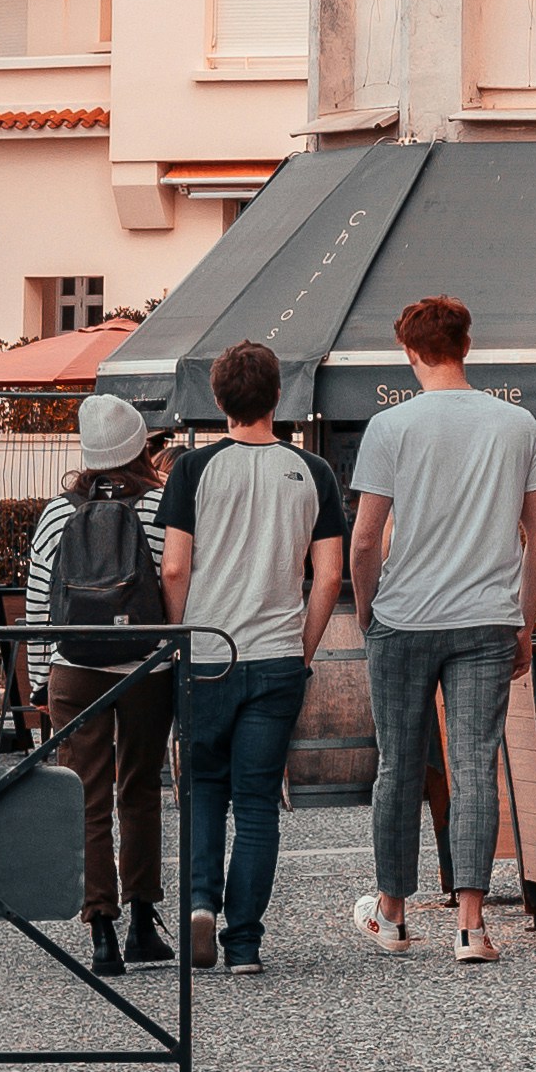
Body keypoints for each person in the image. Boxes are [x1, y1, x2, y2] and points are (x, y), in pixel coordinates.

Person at [346, 294, 536, 966]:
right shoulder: (518, 423)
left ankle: (393, 914)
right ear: (468, 344)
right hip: (487, 619)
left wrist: (367, 610)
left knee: (398, 766)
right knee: (474, 767)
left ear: (410, 352)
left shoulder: (390, 426)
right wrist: (526, 615)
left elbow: (364, 539)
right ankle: (471, 927)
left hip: (404, 618)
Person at [158, 340, 350, 973]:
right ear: (279, 397)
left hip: (207, 654)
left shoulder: (192, 470)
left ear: (217, 400)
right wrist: (302, 649)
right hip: (275, 659)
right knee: (259, 802)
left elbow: (177, 565)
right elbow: (327, 578)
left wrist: (180, 637)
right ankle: (244, 943)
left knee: (204, 788)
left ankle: (198, 906)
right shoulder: (314, 472)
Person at [26, 387, 176, 971]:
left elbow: (39, 602)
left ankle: (101, 934)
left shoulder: (58, 512)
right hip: (144, 671)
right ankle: (143, 922)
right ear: (141, 446)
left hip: (74, 670)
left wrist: (41, 680)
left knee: (87, 798)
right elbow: (174, 589)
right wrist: (171, 659)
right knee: (139, 790)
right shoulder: (159, 508)